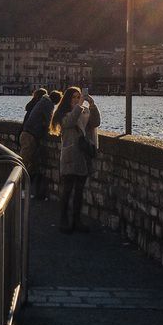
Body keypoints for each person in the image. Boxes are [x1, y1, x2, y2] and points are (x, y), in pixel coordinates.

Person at [50, 86, 100, 233]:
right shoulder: (63, 114)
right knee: (67, 189)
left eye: (79, 97)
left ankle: (77, 220)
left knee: (79, 191)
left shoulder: (85, 112)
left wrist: (92, 105)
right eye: (74, 97)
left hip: (83, 156)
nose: (77, 99)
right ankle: (64, 220)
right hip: (70, 155)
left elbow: (96, 122)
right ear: (67, 100)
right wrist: (79, 106)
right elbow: (70, 122)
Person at [19, 88, 54, 198]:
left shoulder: (32, 106)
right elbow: (48, 120)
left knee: (27, 163)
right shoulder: (42, 105)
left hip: (25, 134)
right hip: (30, 136)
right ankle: (18, 190)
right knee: (23, 164)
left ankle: (24, 190)